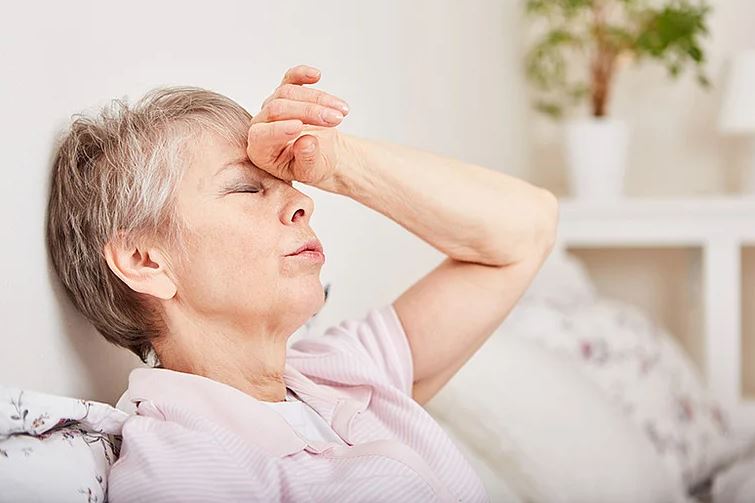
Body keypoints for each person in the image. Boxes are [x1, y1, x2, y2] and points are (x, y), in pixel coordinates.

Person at [45, 64, 558, 502]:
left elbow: (527, 231)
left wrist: (338, 164)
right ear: (144, 261)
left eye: (289, 184)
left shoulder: (340, 372)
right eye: (246, 188)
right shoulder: (182, 468)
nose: (303, 202)